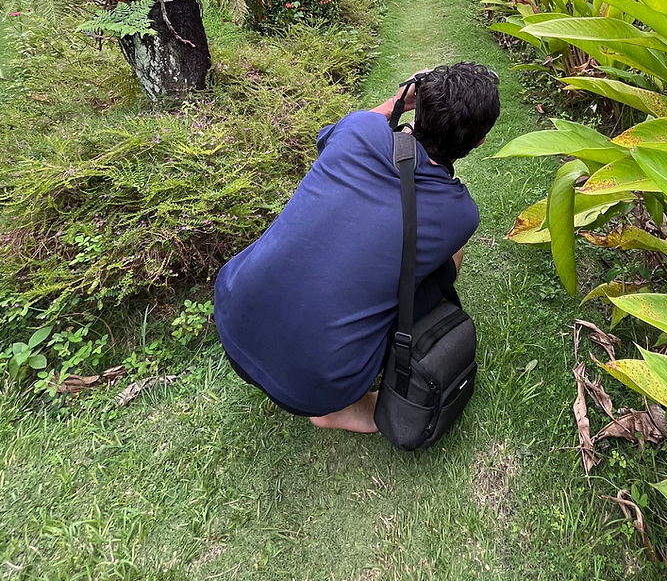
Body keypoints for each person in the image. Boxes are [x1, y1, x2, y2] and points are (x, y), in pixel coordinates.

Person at [214, 61, 500, 434]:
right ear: (478, 141)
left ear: (418, 105)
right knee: (439, 265)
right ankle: (341, 408)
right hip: (317, 387)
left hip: (233, 314)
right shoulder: (460, 213)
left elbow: (342, 131)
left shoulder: (358, 130)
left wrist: (395, 103)